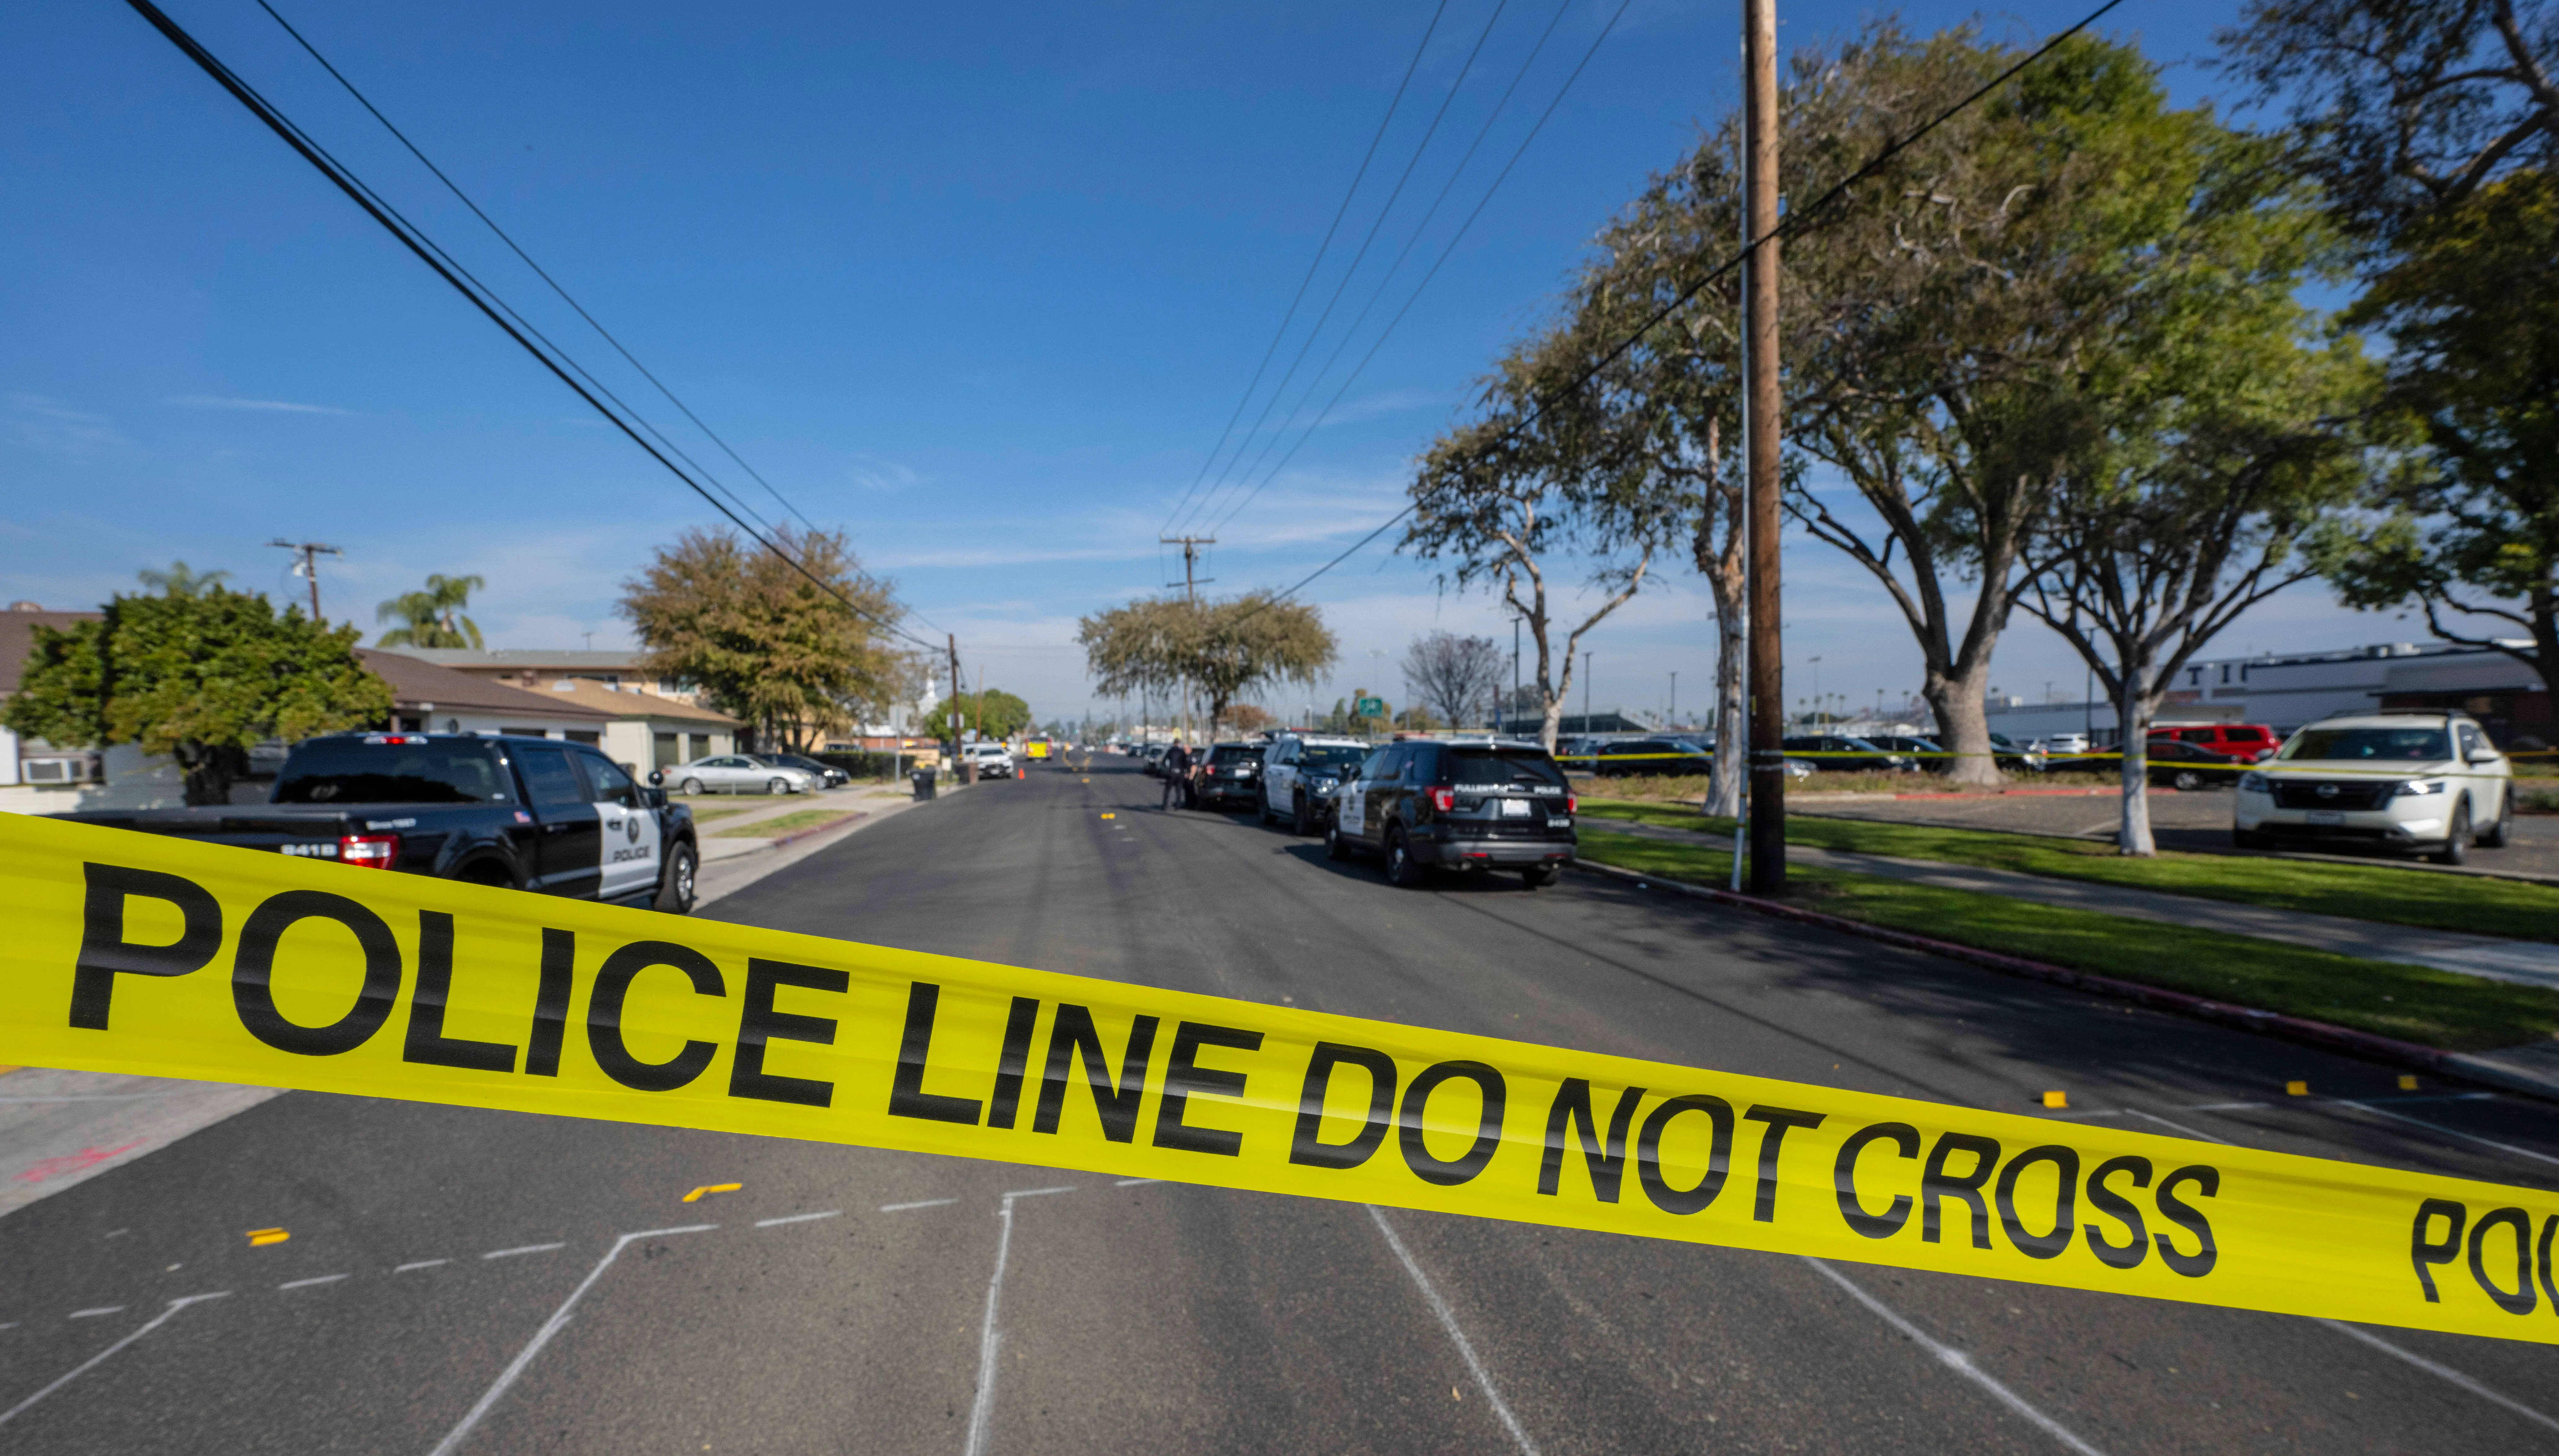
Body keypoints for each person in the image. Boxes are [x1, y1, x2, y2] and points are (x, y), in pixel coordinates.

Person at [1160, 739, 1191, 810]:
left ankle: (1165, 805)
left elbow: (1164, 761)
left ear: (1174, 743)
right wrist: (1187, 771)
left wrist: (1166, 770)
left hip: (1172, 773)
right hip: (1180, 774)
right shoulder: (1182, 752)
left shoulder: (1170, 751)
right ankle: (1178, 806)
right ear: (1179, 744)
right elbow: (1186, 763)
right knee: (1179, 790)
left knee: (1168, 790)